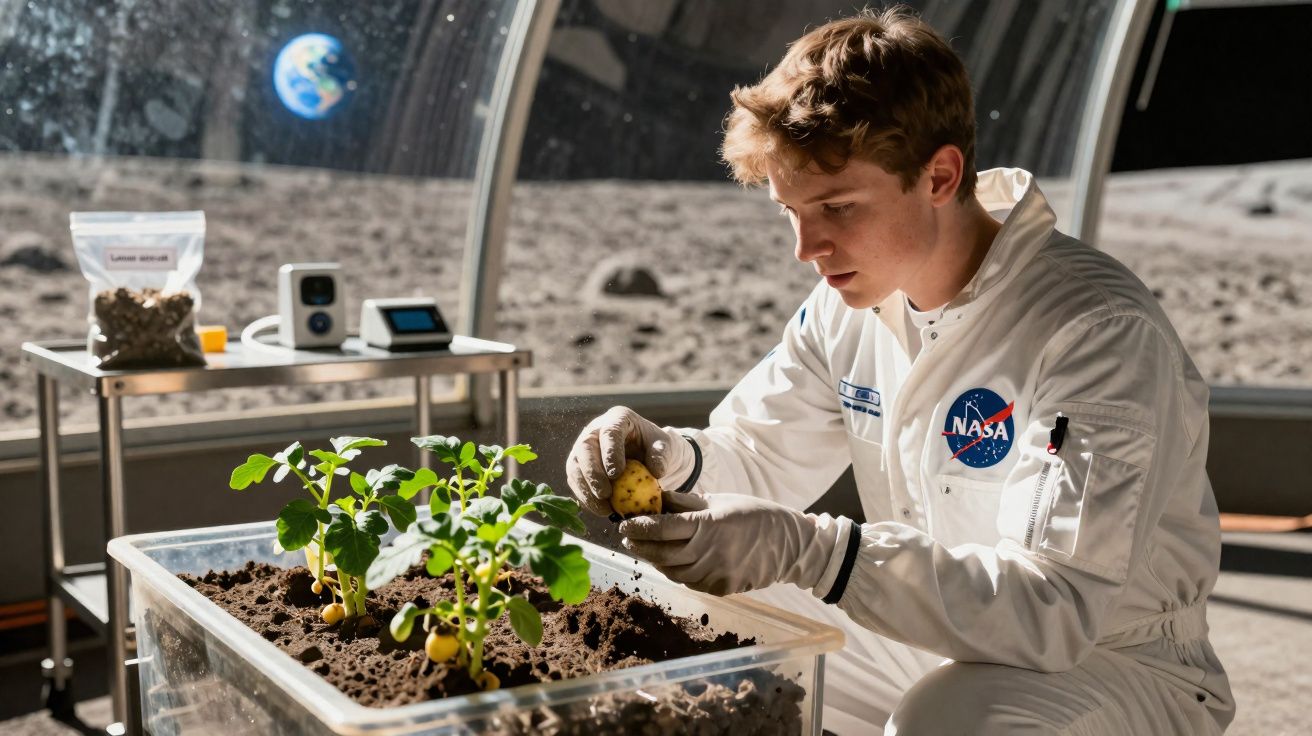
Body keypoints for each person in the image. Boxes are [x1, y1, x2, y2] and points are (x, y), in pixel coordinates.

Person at [565, 6, 1234, 735]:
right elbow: (757, 455)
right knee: (664, 607)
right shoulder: (846, 307)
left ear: (940, 175)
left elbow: (1055, 608)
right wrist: (670, 460)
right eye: (789, 211)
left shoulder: (1094, 331)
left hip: (1113, 666)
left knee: (947, 722)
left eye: (836, 207)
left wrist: (813, 549)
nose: (806, 247)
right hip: (929, 638)